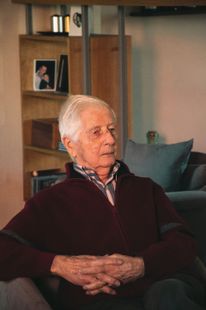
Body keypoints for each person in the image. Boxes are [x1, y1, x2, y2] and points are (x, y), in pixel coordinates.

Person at [0, 94, 205, 310]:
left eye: (111, 129)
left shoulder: (147, 189)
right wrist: (58, 265)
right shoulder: (49, 201)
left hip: (160, 287)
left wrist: (141, 265)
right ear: (70, 145)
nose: (110, 139)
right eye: (96, 132)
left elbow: (184, 244)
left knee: (167, 293)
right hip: (100, 300)